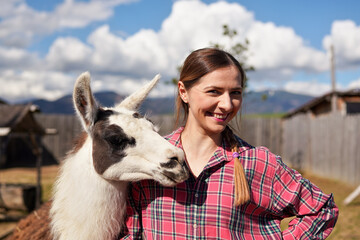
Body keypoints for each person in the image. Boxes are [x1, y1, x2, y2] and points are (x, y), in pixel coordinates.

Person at [121, 48, 338, 239]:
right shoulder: (149, 160)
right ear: (183, 92)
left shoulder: (259, 163)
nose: (226, 104)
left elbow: (322, 209)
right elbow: (129, 232)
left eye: (235, 93)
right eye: (214, 91)